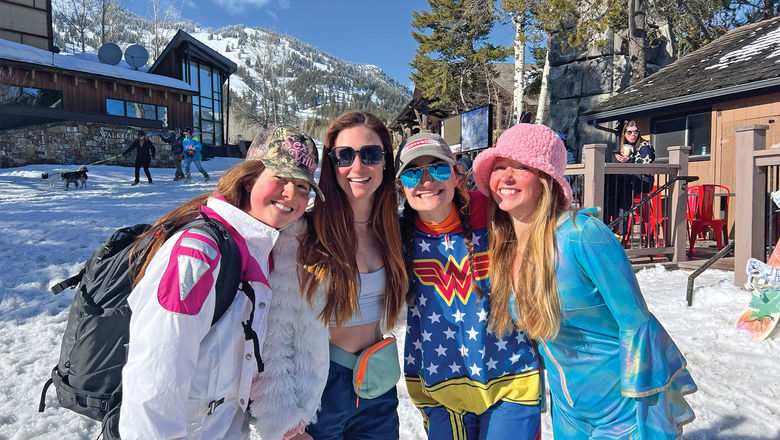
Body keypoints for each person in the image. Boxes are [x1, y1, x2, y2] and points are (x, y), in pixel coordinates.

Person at [472, 123, 697, 440]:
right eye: (499, 167)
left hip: (622, 414)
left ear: (546, 179)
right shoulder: (504, 247)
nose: (505, 178)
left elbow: (637, 324)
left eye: (521, 167)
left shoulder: (582, 235)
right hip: (569, 415)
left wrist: (647, 414)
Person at [119, 126, 323, 439]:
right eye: (280, 179)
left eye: (302, 186)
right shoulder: (199, 253)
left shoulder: (260, 251)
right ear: (249, 177)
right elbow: (155, 378)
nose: (291, 195)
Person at [397, 133, 541, 440]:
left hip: (511, 377)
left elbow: (541, 218)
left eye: (437, 169)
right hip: (443, 386)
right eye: (412, 173)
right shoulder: (396, 235)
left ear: (456, 175)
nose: (426, 181)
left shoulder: (493, 212)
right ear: (401, 186)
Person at [297, 111, 408, 439]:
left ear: (386, 161)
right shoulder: (304, 231)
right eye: (344, 156)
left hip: (378, 381)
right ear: (331, 164)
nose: (357, 167)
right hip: (320, 385)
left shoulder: (396, 230)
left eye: (370, 154)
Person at [605, 121, 656, 232]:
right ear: (624, 133)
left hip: (643, 182)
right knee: (610, 183)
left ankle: (619, 230)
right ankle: (609, 222)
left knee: (620, 187)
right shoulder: (626, 147)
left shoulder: (645, 146)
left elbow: (645, 165)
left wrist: (629, 160)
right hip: (629, 182)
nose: (633, 135)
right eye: (629, 132)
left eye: (635, 132)